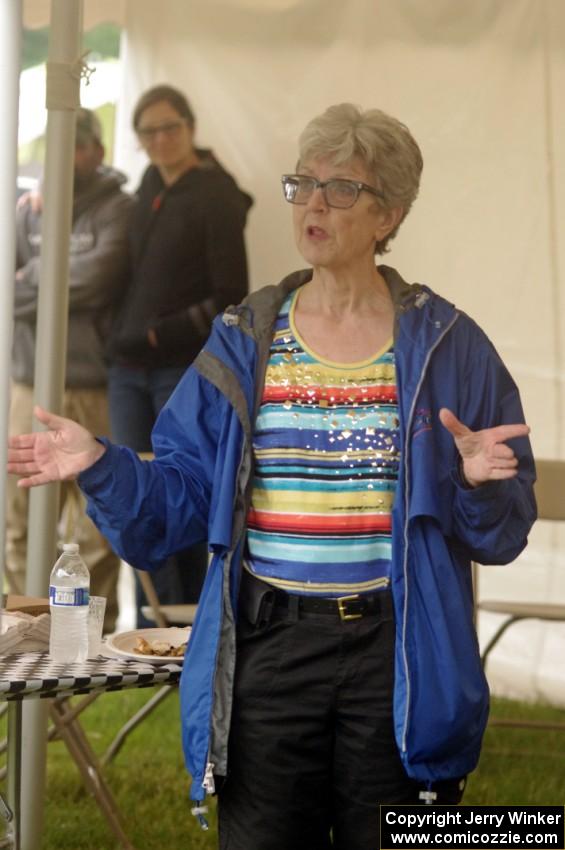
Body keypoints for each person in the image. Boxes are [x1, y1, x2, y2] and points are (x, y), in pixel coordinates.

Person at [8, 103, 536, 850]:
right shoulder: (245, 340)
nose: (313, 204)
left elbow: (503, 531)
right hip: (268, 650)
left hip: (398, 652)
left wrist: (479, 484)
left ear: (388, 213)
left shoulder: (448, 346)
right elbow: (179, 501)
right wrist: (104, 466)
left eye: (341, 189)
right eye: (302, 184)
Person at [106, 84, 253, 625]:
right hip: (127, 374)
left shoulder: (215, 194)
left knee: (182, 494)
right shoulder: (147, 187)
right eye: (149, 132)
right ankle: (148, 626)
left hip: (182, 370)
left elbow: (230, 294)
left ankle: (187, 628)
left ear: (191, 127)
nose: (161, 139)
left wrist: (157, 334)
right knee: (133, 491)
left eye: (171, 127)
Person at [7, 108, 133, 631]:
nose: (69, 157)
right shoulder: (26, 210)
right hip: (28, 383)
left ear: (97, 151)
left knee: (94, 526)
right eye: (60, 147)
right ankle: (24, 632)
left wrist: (32, 273)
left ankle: (89, 639)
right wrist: (43, 281)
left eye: (79, 147)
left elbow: (99, 279)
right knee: (16, 519)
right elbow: (6, 288)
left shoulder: (118, 209)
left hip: (93, 386)